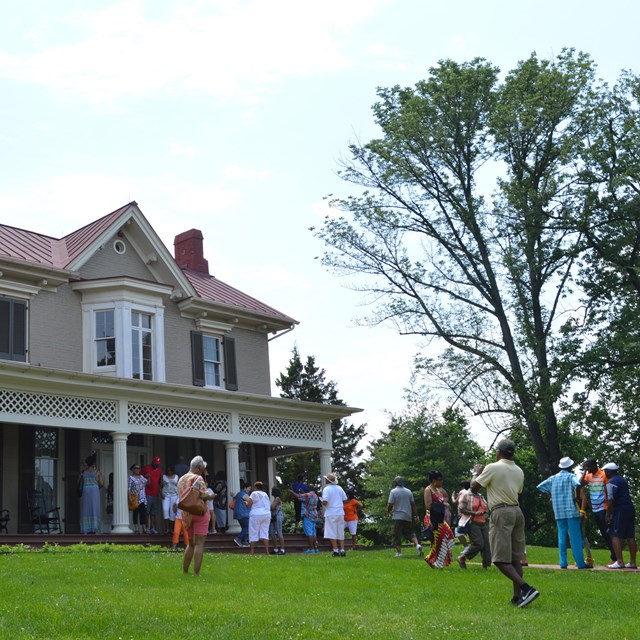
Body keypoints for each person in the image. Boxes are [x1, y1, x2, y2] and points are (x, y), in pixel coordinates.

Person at [472, 439, 540, 608]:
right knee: (515, 558)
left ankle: (526, 589)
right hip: (517, 511)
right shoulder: (519, 470)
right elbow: (518, 491)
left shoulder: (492, 467)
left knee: (500, 559)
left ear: (499, 452)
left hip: (501, 512)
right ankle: (517, 598)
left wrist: (476, 473)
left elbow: (474, 488)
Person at [536, 456, 588, 570]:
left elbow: (540, 487)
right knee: (575, 538)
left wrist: (550, 498)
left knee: (561, 537)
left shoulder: (553, 478)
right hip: (571, 511)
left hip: (558, 512)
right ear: (569, 467)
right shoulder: (571, 477)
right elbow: (578, 484)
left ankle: (563, 562)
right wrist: (577, 498)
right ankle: (580, 563)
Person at [178, 455, 215, 576]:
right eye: (202, 469)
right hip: (199, 512)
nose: (203, 471)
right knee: (199, 544)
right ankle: (196, 573)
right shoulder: (198, 478)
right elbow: (204, 495)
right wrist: (212, 496)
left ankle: (185, 571)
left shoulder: (181, 479)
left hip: (186, 514)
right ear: (198, 468)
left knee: (190, 544)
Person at [580, 458, 615, 565]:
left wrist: (609, 510)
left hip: (603, 507)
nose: (587, 469)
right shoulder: (588, 476)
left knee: (607, 533)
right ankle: (614, 557)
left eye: (588, 467)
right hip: (595, 508)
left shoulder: (603, 475)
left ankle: (615, 558)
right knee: (604, 534)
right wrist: (585, 472)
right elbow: (579, 484)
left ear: (595, 465)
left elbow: (609, 491)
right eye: (585, 467)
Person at [602, 463, 637, 569]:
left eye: (605, 471)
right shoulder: (622, 480)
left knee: (615, 535)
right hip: (629, 508)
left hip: (619, 510)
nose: (604, 473)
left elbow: (611, 499)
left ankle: (620, 561)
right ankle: (632, 562)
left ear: (609, 471)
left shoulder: (610, 482)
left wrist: (608, 515)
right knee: (630, 536)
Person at [456, 481, 491, 570]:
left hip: (483, 523)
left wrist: (486, 515)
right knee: (479, 544)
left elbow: (486, 509)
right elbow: (461, 509)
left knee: (487, 545)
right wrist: (474, 513)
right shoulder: (466, 495)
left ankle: (485, 567)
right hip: (472, 522)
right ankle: (462, 557)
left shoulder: (481, 496)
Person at [387, 476, 423, 558]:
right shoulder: (409, 491)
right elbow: (413, 505)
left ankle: (399, 553)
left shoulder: (393, 492)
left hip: (397, 516)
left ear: (395, 482)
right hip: (407, 516)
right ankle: (417, 545)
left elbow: (390, 504)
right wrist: (416, 515)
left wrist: (388, 512)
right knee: (410, 532)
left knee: (396, 535)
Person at [322, 472, 348, 557]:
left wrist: (322, 502)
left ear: (327, 480)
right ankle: (343, 550)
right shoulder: (339, 488)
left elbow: (325, 501)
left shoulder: (326, 489)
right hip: (340, 511)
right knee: (340, 531)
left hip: (331, 512)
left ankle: (336, 550)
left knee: (331, 531)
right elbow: (345, 499)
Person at [78, 452, 104, 534]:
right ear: (93, 463)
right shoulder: (97, 472)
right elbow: (102, 483)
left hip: (85, 491)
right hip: (94, 491)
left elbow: (78, 483)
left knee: (85, 508)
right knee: (94, 508)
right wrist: (96, 486)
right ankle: (95, 529)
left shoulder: (83, 472)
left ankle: (85, 529)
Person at [425, 501, 455, 569]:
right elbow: (428, 506)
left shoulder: (439, 492)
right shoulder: (428, 490)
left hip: (440, 519)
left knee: (450, 538)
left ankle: (433, 560)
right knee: (439, 542)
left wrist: (444, 505)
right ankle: (435, 562)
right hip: (432, 518)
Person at [244, 481, 271, 555]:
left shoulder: (254, 493)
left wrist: (246, 502)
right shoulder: (265, 494)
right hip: (266, 514)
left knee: (253, 532)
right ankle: (267, 552)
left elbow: (249, 505)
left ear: (255, 487)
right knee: (265, 533)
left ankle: (252, 551)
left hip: (256, 514)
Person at [291, 484, 320, 553]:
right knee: (314, 533)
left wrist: (291, 492)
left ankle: (311, 549)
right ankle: (316, 548)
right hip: (314, 515)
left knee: (309, 533)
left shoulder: (308, 495)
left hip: (308, 515)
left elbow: (298, 496)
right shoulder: (316, 496)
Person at [141, 455, 162, 534]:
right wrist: (146, 477)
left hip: (155, 493)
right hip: (147, 493)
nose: (156, 465)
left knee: (154, 512)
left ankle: (153, 528)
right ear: (152, 462)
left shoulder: (159, 470)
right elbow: (140, 478)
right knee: (147, 511)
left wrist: (160, 492)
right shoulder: (146, 468)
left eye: (158, 464)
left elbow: (160, 482)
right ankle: (146, 528)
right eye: (155, 463)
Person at [128, 463, 148, 534]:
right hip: (135, 497)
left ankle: (144, 528)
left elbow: (148, 483)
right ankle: (136, 528)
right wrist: (129, 498)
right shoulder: (131, 478)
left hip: (142, 498)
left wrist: (149, 477)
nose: (138, 470)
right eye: (136, 468)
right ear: (132, 469)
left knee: (143, 513)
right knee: (135, 513)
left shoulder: (142, 477)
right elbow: (129, 488)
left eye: (139, 468)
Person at [452, 481, 471, 549]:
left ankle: (466, 547)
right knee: (470, 532)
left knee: (457, 532)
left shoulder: (462, 492)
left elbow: (455, 502)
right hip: (471, 515)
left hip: (462, 516)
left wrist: (453, 497)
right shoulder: (471, 492)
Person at [232, 481, 251, 547]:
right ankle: (238, 539)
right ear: (245, 488)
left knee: (244, 527)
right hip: (244, 513)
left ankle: (244, 542)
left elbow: (235, 497)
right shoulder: (245, 494)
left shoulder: (239, 493)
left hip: (237, 513)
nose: (249, 490)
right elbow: (250, 502)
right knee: (247, 527)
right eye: (249, 488)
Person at [161, 465, 179, 535]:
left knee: (172, 512)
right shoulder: (164, 476)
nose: (169, 472)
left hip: (174, 495)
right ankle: (167, 529)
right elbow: (160, 486)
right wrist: (161, 493)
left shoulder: (177, 476)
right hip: (165, 495)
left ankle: (171, 529)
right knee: (165, 510)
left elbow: (178, 486)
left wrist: (178, 496)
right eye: (168, 470)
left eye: (170, 470)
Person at [270, 486, 285, 554]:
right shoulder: (275, 499)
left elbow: (272, 507)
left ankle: (282, 549)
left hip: (278, 516)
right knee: (272, 532)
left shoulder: (277, 498)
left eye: (272, 491)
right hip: (273, 516)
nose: (271, 492)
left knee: (279, 532)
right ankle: (275, 549)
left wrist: (269, 506)